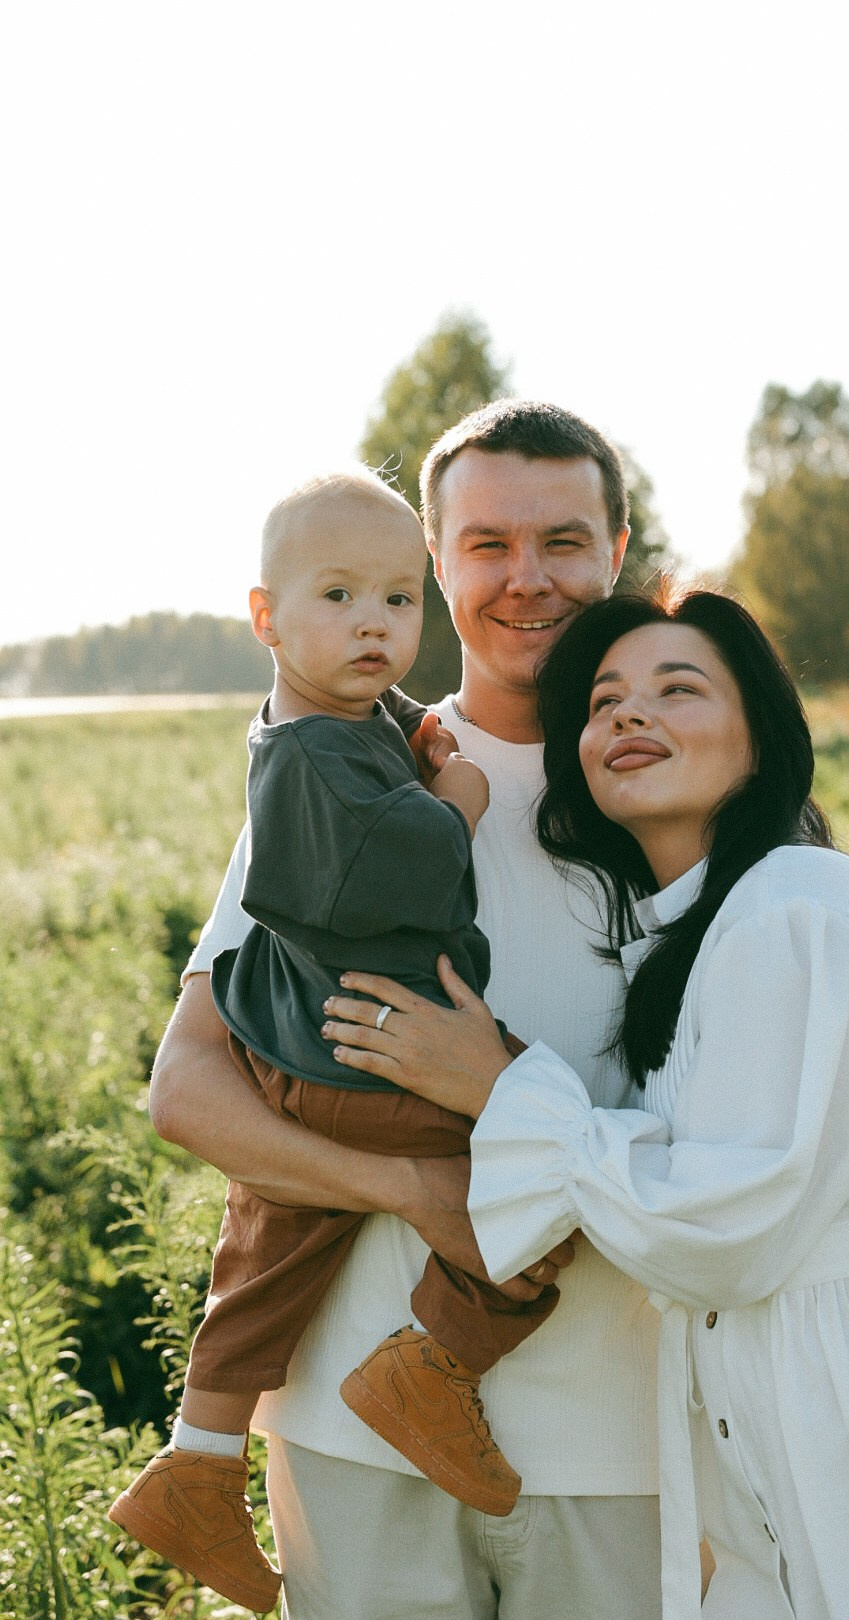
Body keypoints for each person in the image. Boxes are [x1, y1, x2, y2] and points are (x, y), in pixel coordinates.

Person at [150, 401, 849, 1620]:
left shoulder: (673, 779)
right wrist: (413, 1190)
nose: (528, 580)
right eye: (486, 546)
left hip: (632, 1445)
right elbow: (188, 1087)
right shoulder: (359, 776)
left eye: (564, 542)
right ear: (435, 560)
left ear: (617, 548)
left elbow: (839, 1004)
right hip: (356, 1429)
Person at [331, 584, 849, 1620]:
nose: (629, 715)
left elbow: (725, 1226)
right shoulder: (695, 933)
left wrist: (500, 1087)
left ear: (762, 743)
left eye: (676, 690)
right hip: (825, 1426)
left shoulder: (793, 904)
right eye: (602, 703)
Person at [109, 470, 556, 1613]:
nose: (374, 625)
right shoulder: (308, 758)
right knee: (543, 1186)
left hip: (319, 1053)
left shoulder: (351, 721)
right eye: (342, 597)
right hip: (370, 1052)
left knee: (278, 1237)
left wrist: (415, 727)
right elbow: (396, 863)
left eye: (395, 602)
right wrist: (454, 797)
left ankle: (199, 1462)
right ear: (266, 618)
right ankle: (434, 1364)